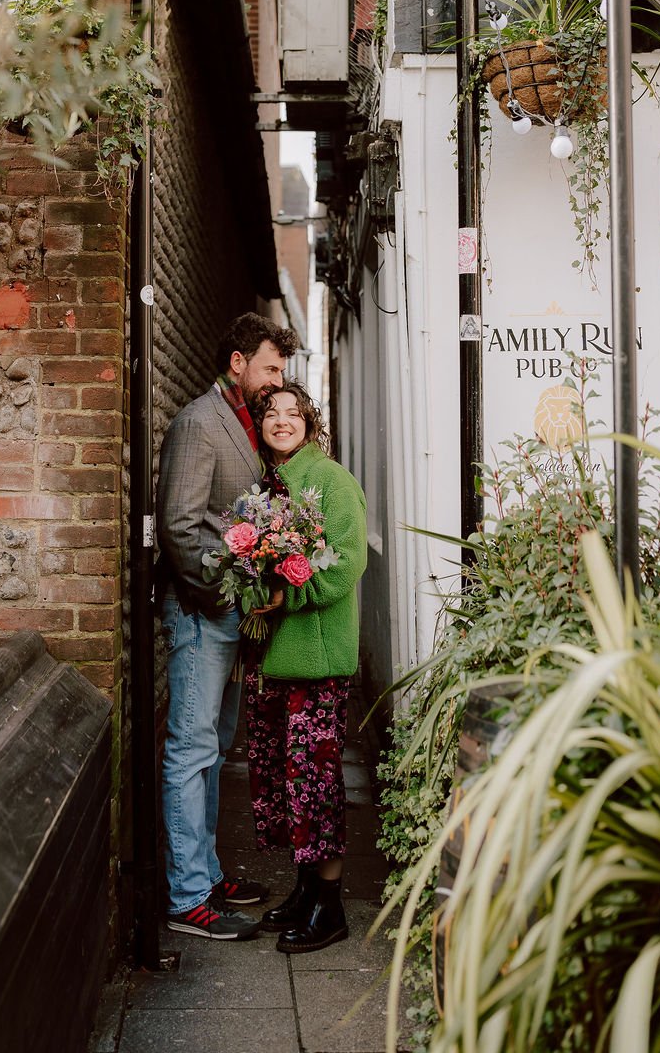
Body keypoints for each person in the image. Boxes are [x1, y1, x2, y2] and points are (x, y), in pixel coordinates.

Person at [157, 311, 300, 940]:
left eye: (282, 371)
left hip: (231, 617)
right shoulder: (197, 423)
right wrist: (224, 597)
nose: (276, 382)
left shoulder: (243, 421)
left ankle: (208, 875)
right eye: (269, 367)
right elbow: (181, 528)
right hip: (201, 612)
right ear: (237, 363)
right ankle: (186, 897)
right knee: (190, 750)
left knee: (213, 748)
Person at [245, 381, 367, 954]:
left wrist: (286, 596)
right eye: (272, 413)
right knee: (283, 781)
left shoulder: (333, 482)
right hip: (273, 659)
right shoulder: (267, 486)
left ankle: (331, 905)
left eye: (293, 413)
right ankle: (303, 888)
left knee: (315, 782)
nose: (282, 421)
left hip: (315, 659)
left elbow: (345, 565)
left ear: (310, 423)